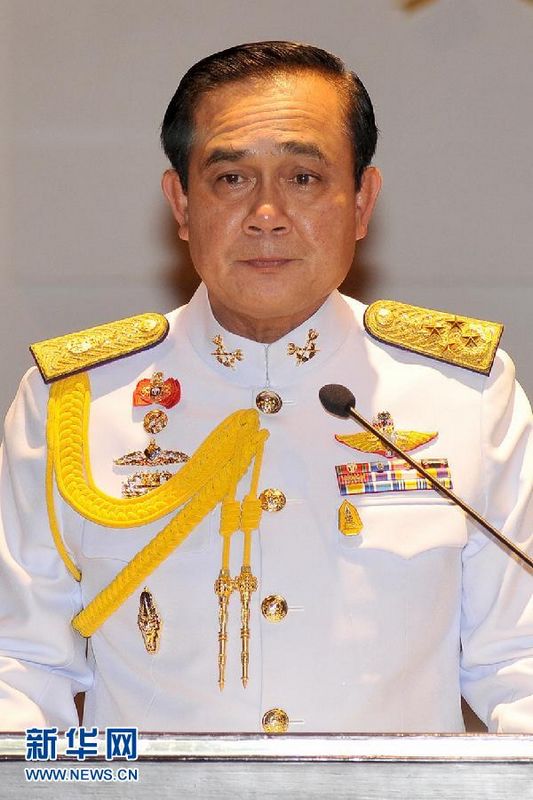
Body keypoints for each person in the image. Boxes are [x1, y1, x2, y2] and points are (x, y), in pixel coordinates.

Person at [0, 41, 531, 735]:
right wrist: (81, 781)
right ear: (181, 203)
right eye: (230, 179)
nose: (267, 213)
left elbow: (519, 661)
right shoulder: (75, 400)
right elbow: (20, 668)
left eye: (304, 177)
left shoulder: (462, 392)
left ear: (362, 201)